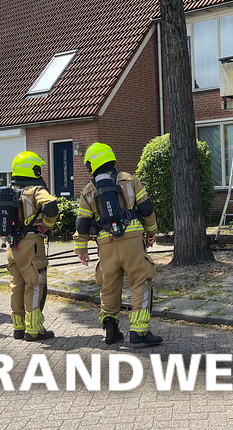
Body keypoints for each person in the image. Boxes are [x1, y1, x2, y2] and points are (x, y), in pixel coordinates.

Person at [74, 142, 161, 346]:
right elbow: (146, 208)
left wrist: (81, 249)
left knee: (109, 286)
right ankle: (139, 331)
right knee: (140, 281)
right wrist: (152, 231)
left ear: (91, 165)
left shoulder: (88, 190)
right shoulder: (129, 179)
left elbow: (82, 222)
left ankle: (110, 328)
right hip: (132, 241)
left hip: (106, 244)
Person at [4, 151, 60, 341]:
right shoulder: (36, 190)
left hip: (12, 246)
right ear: (32, 170)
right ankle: (34, 330)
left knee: (16, 286)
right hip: (31, 244)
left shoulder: (8, 191)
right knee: (34, 284)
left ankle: (18, 328)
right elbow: (51, 205)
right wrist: (47, 224)